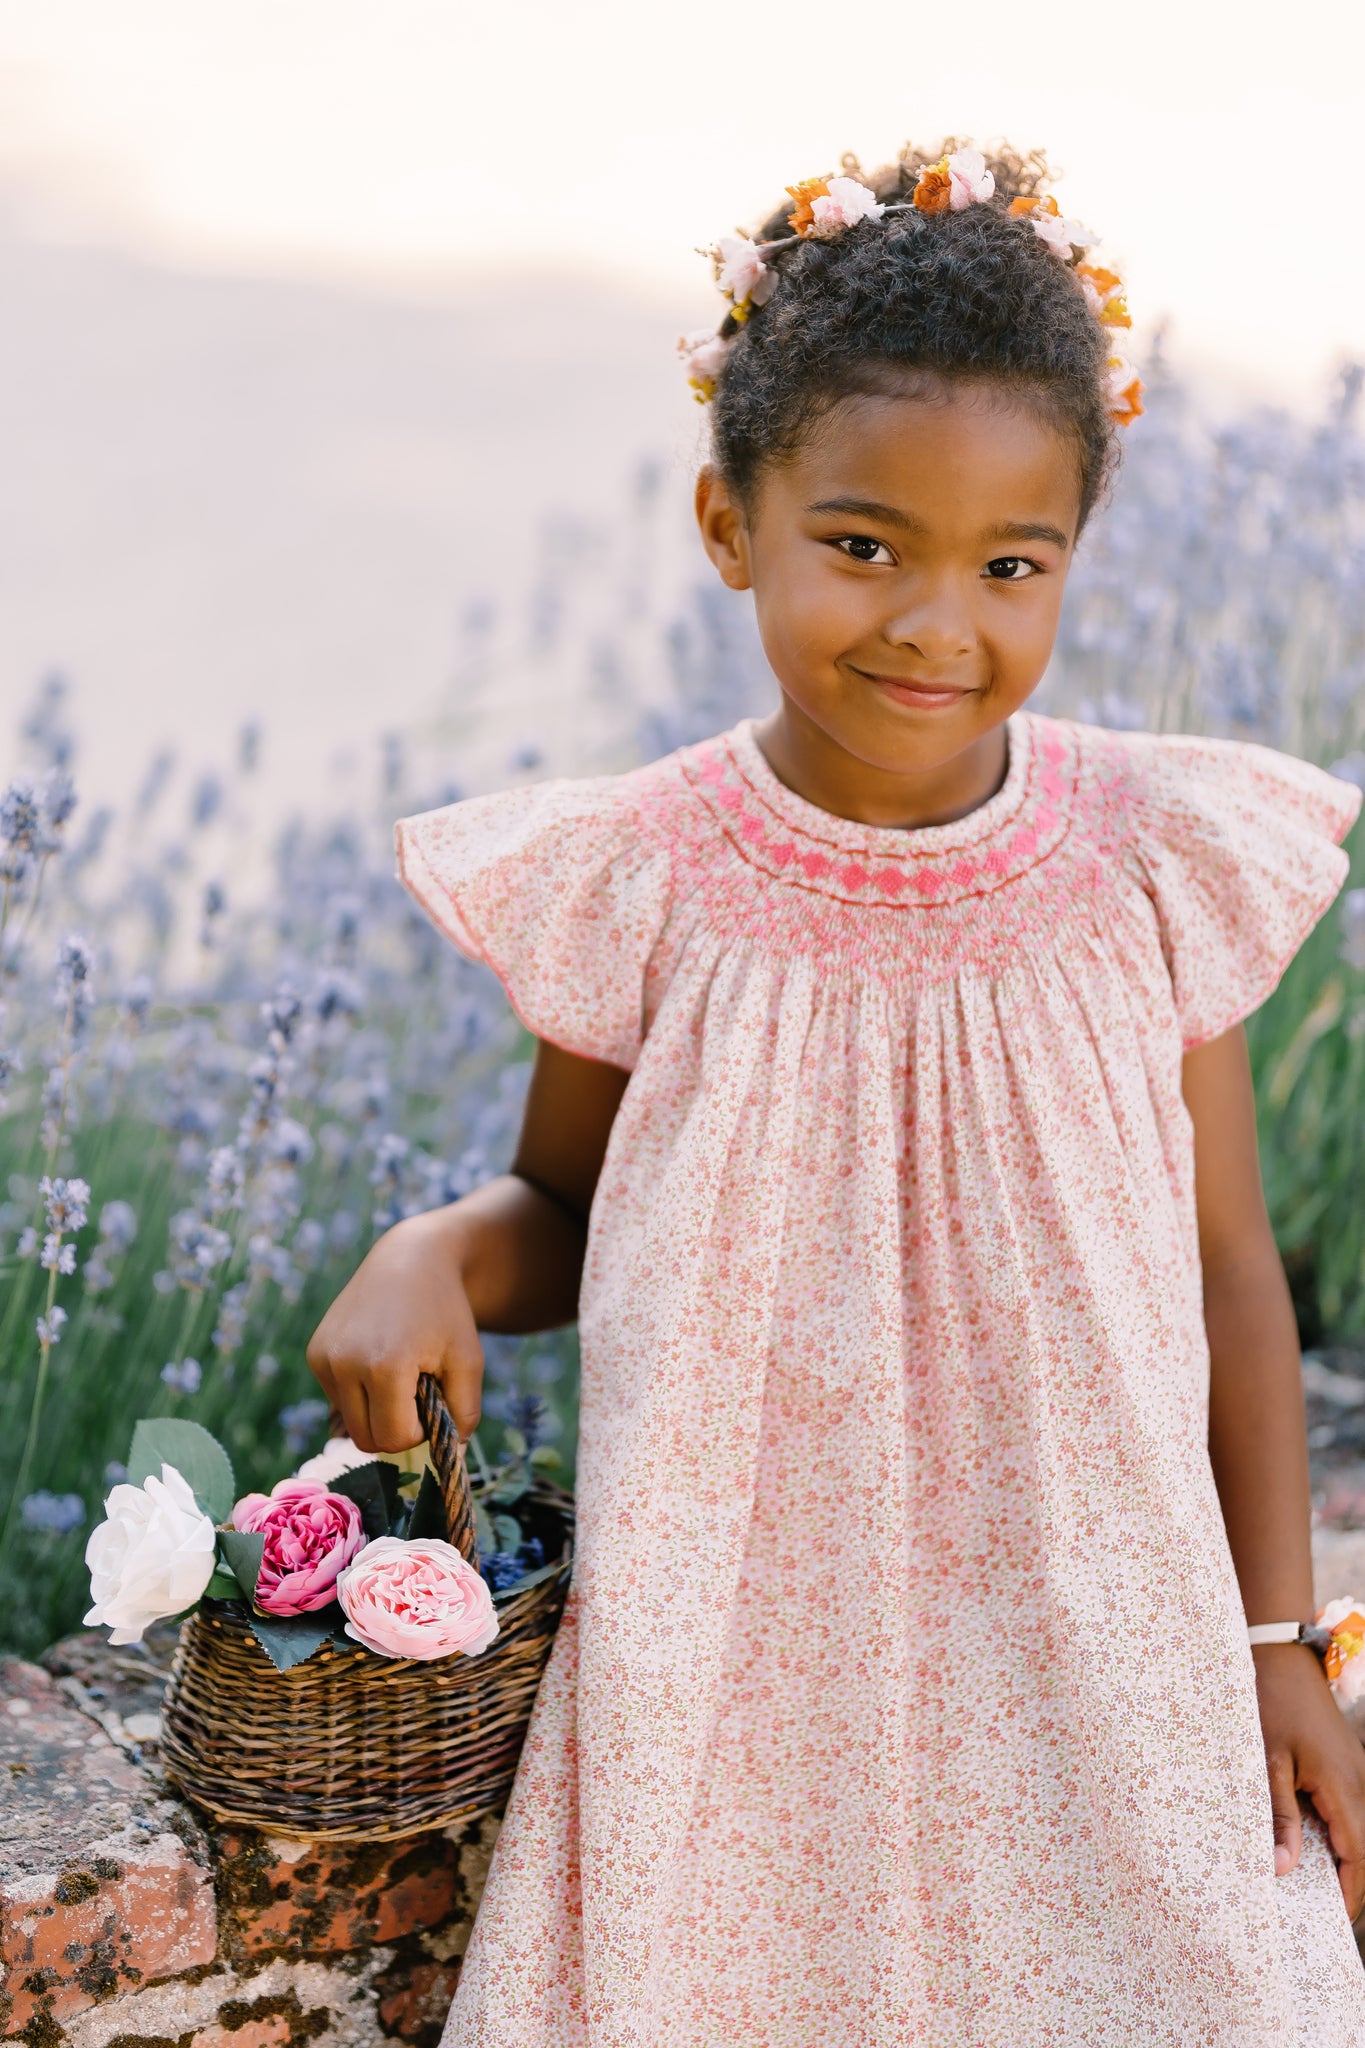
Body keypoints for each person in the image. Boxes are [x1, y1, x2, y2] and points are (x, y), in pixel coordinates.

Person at [306, 140, 1365, 2045]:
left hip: (1095, 1651)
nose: (932, 624)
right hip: (743, 1676)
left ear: (1069, 562)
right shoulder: (652, 876)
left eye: (1008, 564)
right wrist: (432, 1249)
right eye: (861, 545)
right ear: (730, 522)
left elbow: (1226, 1271)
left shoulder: (1143, 858)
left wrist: (1275, 1643)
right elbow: (566, 1206)